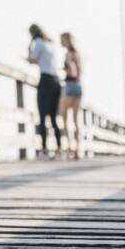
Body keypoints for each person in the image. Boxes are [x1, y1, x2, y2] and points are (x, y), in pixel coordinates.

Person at [26, 24, 61, 160]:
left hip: (46, 79)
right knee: (53, 118)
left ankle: (44, 150)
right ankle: (58, 150)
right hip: (56, 81)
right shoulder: (50, 44)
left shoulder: (39, 42)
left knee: (42, 117)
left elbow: (32, 59)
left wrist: (29, 49)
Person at [59, 31, 82, 160]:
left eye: (62, 40)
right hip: (78, 86)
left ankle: (68, 148)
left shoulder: (68, 54)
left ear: (67, 40)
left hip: (69, 85)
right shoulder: (78, 55)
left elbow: (72, 71)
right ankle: (77, 149)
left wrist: (64, 70)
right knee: (75, 120)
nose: (61, 42)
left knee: (63, 117)